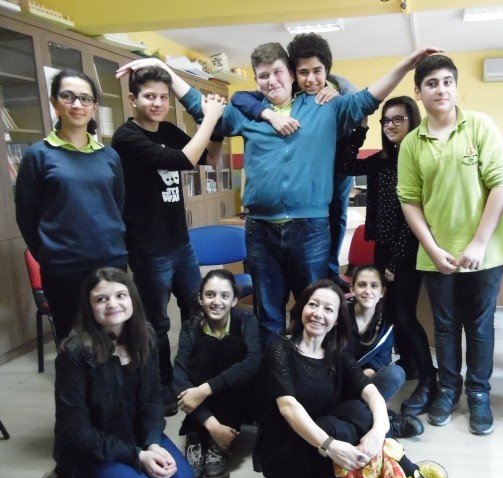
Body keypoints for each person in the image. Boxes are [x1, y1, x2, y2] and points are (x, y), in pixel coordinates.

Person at [117, 44, 440, 348]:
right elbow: (199, 104)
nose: (271, 81)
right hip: (261, 230)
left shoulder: (324, 106)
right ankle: (276, 376)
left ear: (290, 73)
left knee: (315, 308)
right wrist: (164, 69)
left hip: (310, 229)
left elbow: (370, 96)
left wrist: (407, 64)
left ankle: (313, 373)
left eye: (277, 72)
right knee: (268, 314)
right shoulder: (249, 113)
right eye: (263, 76)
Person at [397, 55, 503, 436]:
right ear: (419, 92)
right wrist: (431, 249)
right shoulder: (412, 143)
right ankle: (449, 388)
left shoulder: (479, 125)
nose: (441, 89)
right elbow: (409, 200)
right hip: (437, 254)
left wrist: (479, 242)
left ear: (456, 86)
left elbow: (501, 183)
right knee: (445, 327)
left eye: (448, 81)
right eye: (432, 83)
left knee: (479, 325)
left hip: (486, 253)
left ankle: (479, 392)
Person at [254, 279, 446, 478]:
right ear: (302, 308)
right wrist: (330, 445)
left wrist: (378, 431)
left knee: (359, 411)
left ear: (337, 319)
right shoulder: (281, 348)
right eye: (313, 304)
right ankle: (400, 474)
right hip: (287, 447)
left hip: (324, 438)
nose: (318, 313)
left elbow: (371, 392)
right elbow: (288, 407)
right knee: (339, 429)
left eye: (328, 309)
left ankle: (405, 476)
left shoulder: (335, 353)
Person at [111, 66, 225, 416]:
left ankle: (192, 375)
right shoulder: (127, 137)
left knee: (196, 312)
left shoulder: (168, 130)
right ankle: (160, 385)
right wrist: (209, 118)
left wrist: (217, 125)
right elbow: (181, 159)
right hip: (148, 249)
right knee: (156, 323)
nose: (159, 103)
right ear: (133, 99)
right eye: (150, 96)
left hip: (180, 243)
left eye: (164, 97)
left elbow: (210, 158)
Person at [230, 33, 361, 293]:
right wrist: (267, 114)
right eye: (303, 72)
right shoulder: (288, 93)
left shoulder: (340, 86)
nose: (311, 79)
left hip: (338, 163)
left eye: (317, 71)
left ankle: (331, 269)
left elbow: (359, 109)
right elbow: (239, 97)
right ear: (293, 73)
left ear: (327, 70)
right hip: (303, 168)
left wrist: (334, 92)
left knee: (336, 213)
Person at [53, 268, 193, 478]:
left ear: (132, 299)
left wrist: (152, 443)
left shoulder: (146, 335)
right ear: (89, 307)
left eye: (120, 295)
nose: (112, 303)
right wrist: (136, 456)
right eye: (101, 299)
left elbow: (153, 400)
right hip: (91, 450)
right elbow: (77, 432)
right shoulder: (74, 354)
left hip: (138, 436)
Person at [337, 95, 437, 415]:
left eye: (398, 119)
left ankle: (429, 379)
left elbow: (414, 217)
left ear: (412, 122)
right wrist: (360, 127)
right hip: (383, 247)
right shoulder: (382, 160)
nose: (390, 125)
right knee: (390, 312)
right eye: (386, 120)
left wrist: (394, 264)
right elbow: (345, 165)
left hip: (407, 250)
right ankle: (410, 364)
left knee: (404, 315)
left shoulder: (418, 159)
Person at [15, 69, 127, 344]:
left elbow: (117, 204)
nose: (77, 105)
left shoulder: (109, 155)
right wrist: (49, 254)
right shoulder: (38, 155)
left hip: (111, 260)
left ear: (94, 106)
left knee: (113, 338)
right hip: (63, 267)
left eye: (85, 98)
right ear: (55, 102)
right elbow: (26, 215)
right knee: (73, 342)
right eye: (68, 96)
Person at [173, 269, 261, 478]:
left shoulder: (247, 320)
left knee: (232, 346)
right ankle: (197, 433)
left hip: (236, 398)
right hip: (203, 408)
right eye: (210, 295)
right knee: (206, 348)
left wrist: (205, 389)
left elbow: (254, 362)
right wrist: (211, 424)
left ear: (234, 300)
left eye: (225, 295)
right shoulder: (191, 326)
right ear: (200, 298)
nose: (216, 301)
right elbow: (179, 375)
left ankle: (216, 445)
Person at [345, 265, 424, 439]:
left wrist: (362, 377)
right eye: (362, 285)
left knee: (395, 374)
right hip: (337, 380)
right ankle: (385, 423)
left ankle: (361, 412)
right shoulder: (339, 316)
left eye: (374, 286)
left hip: (363, 382)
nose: (368, 291)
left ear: (382, 291)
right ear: (352, 289)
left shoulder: (387, 324)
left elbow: (380, 362)